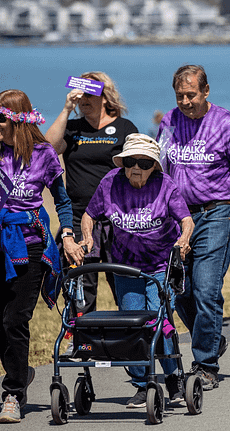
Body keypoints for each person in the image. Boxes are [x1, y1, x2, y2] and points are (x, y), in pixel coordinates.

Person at [158, 65, 230, 390]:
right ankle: (212, 338)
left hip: (215, 213)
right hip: (177, 218)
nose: (186, 101)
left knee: (206, 289)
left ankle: (205, 364)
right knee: (179, 291)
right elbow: (160, 167)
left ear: (206, 92)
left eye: (191, 95)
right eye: (180, 96)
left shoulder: (225, 123)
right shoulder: (169, 121)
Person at [80, 133, 194, 407]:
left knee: (159, 321)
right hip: (125, 265)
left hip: (159, 265)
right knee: (133, 324)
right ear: (123, 162)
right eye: (131, 161)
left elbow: (186, 219)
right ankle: (142, 385)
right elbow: (89, 214)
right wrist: (87, 238)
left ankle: (172, 377)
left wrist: (184, 239)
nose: (136, 168)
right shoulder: (110, 182)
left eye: (144, 163)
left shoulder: (165, 185)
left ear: (154, 165)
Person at [0, 89, 81, 423]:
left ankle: (13, 394)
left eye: (1, 120)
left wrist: (67, 232)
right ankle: (21, 370)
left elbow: (62, 200)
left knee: (14, 319)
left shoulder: (44, 154)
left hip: (30, 246)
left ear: (17, 120)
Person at [44, 71, 139, 315]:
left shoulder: (124, 127)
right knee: (80, 283)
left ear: (105, 97)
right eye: (81, 93)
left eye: (91, 93)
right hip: (78, 216)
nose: (84, 98)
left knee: (123, 281)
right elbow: (48, 151)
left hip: (118, 217)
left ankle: (132, 334)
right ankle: (81, 339)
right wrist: (66, 110)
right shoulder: (73, 128)